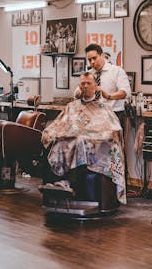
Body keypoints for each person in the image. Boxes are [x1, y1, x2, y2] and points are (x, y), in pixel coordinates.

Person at [41, 72, 126, 204]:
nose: (85, 86)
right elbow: (60, 124)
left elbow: (113, 130)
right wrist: (50, 132)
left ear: (96, 86)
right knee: (58, 142)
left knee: (80, 142)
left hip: (97, 149)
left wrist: (90, 136)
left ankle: (68, 181)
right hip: (72, 142)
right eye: (82, 83)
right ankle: (60, 182)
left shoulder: (104, 108)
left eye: (89, 83)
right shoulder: (72, 106)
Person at [75, 44, 131, 131]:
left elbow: (126, 92)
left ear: (102, 56)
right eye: (90, 60)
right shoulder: (89, 74)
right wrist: (81, 92)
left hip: (113, 115)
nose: (92, 62)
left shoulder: (116, 71)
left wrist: (109, 96)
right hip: (93, 115)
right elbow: (77, 94)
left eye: (94, 58)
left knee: (114, 143)